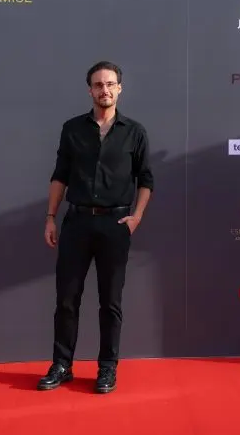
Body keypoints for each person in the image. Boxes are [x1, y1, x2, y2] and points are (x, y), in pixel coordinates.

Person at [38, 60, 154, 394]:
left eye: (110, 84)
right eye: (98, 85)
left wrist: (136, 217)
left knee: (110, 301)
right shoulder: (73, 129)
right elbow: (60, 175)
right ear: (90, 90)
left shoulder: (135, 132)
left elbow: (146, 179)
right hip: (76, 222)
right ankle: (62, 365)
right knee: (66, 299)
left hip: (115, 224)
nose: (105, 90)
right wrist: (50, 217)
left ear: (120, 88)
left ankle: (107, 368)